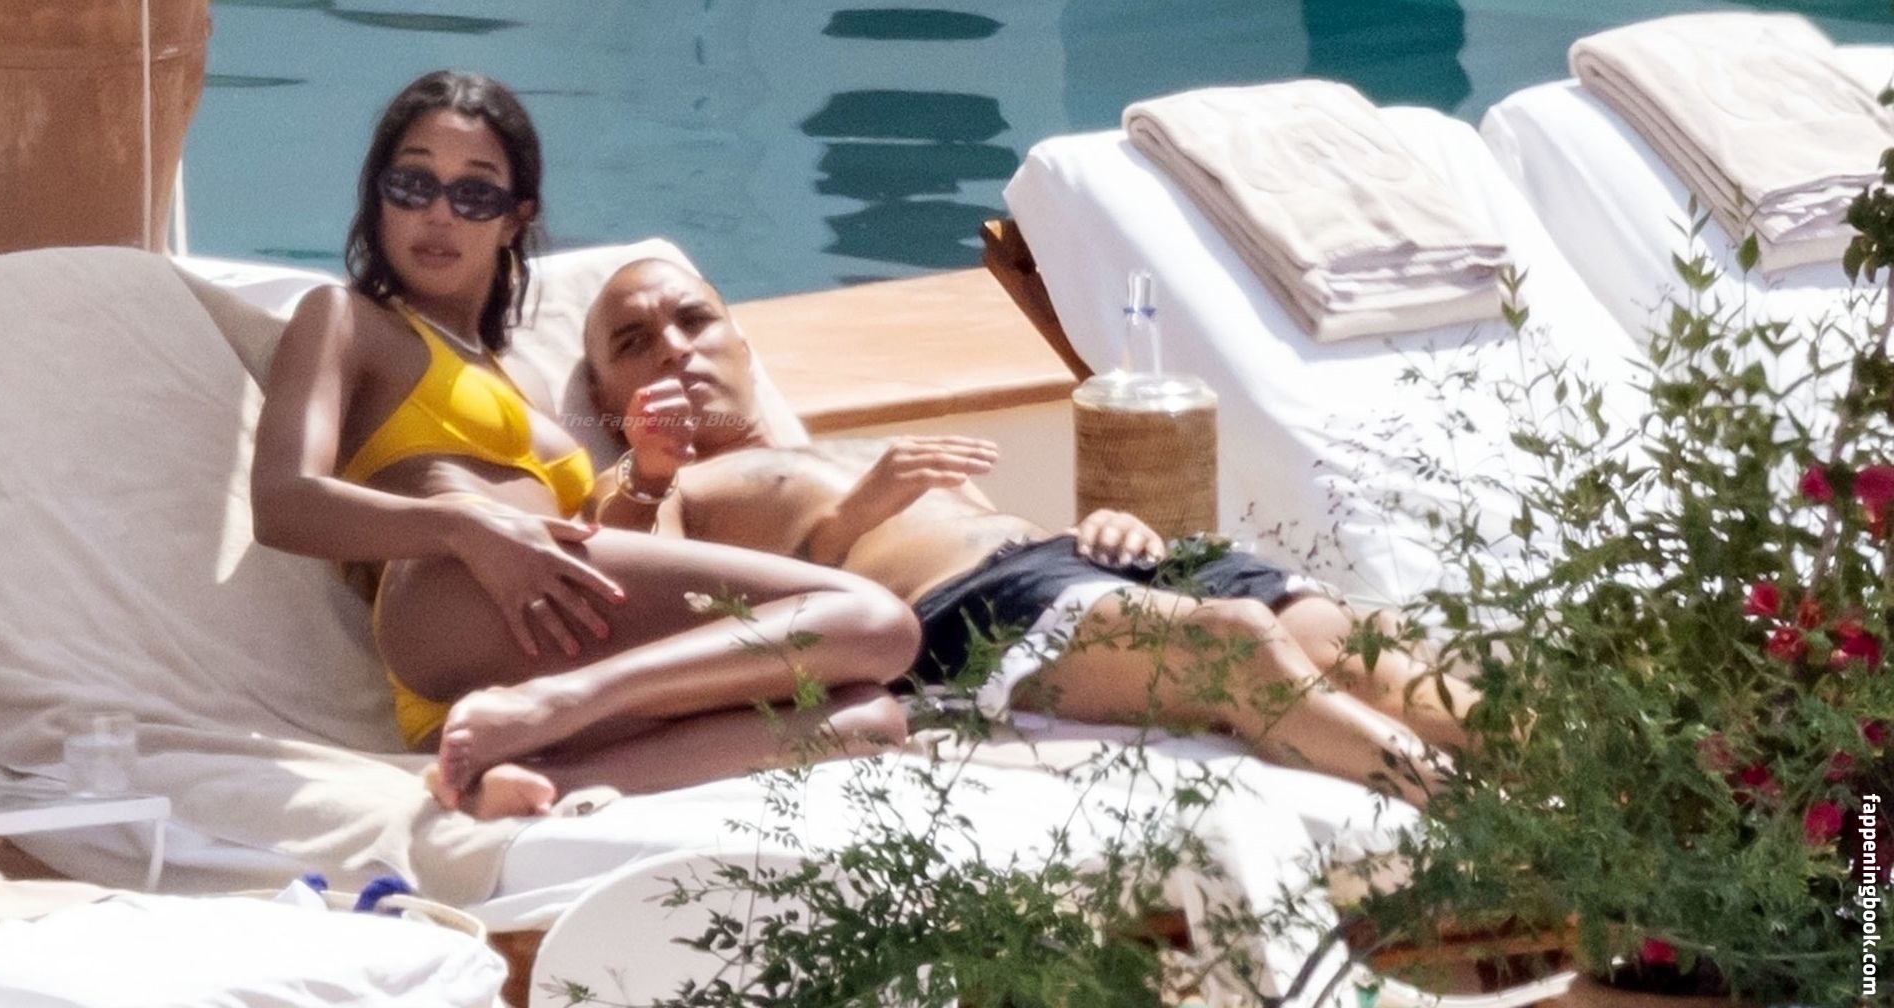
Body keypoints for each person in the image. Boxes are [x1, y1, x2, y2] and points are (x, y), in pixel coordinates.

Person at [250, 72, 923, 820]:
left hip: (516, 659)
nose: (439, 214)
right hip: (450, 591)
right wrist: (466, 527)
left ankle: (537, 776)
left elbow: (600, 552)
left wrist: (645, 484)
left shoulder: (514, 380)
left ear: (516, 218)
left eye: (473, 194)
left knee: (866, 714)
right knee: (877, 624)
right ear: (379, 195)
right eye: (412, 184)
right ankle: (559, 703)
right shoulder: (349, 321)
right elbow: (282, 503)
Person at [576, 258, 1484, 805]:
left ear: (744, 345)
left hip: (1071, 564)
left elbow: (992, 531)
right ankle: (1489, 831)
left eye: (694, 320)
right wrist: (658, 475)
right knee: (1236, 647)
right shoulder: (660, 488)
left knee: (1369, 651)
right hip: (968, 614)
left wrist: (1101, 527)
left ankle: (1561, 780)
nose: (674, 347)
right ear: (608, 398)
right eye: (634, 343)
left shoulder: (841, 446)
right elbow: (671, 616)